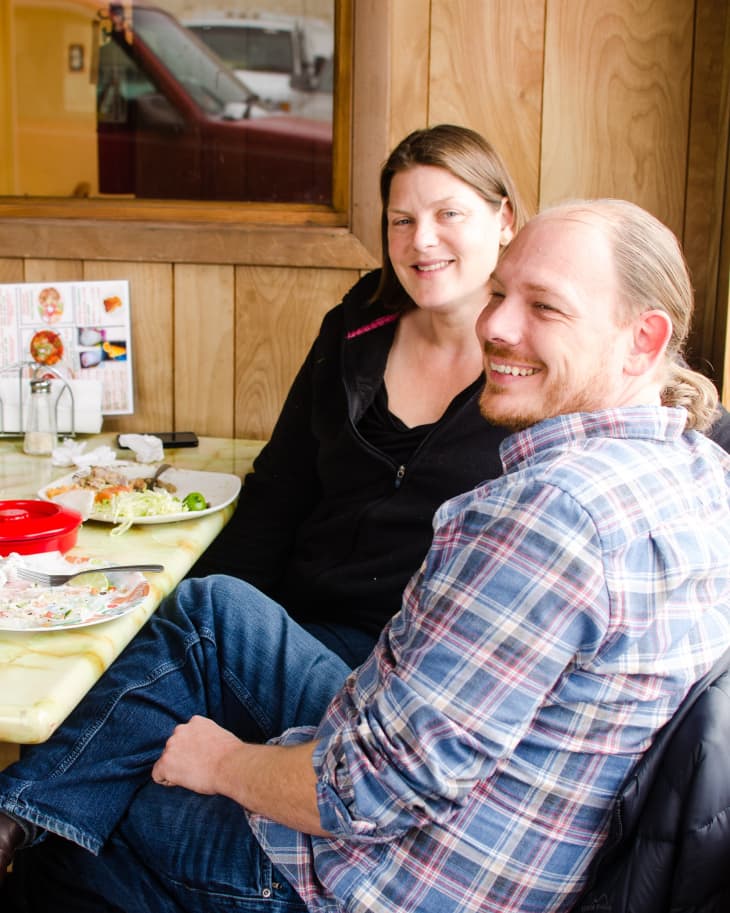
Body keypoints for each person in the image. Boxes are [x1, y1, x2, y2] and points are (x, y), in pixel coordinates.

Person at [2, 198, 730, 913]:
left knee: (105, 819)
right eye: (500, 292)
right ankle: (17, 815)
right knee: (211, 610)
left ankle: (37, 841)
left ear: (643, 339)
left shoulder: (549, 515)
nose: (496, 325)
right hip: (495, 796)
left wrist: (222, 764)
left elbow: (363, 793)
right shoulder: (699, 466)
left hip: (399, 880)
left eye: (545, 307)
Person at [189, 123, 529, 665]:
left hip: (426, 662)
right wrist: (203, 610)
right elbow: (279, 490)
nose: (422, 240)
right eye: (402, 220)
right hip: (300, 626)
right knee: (177, 630)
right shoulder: (353, 330)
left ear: (504, 219)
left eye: (448, 214)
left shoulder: (536, 362)